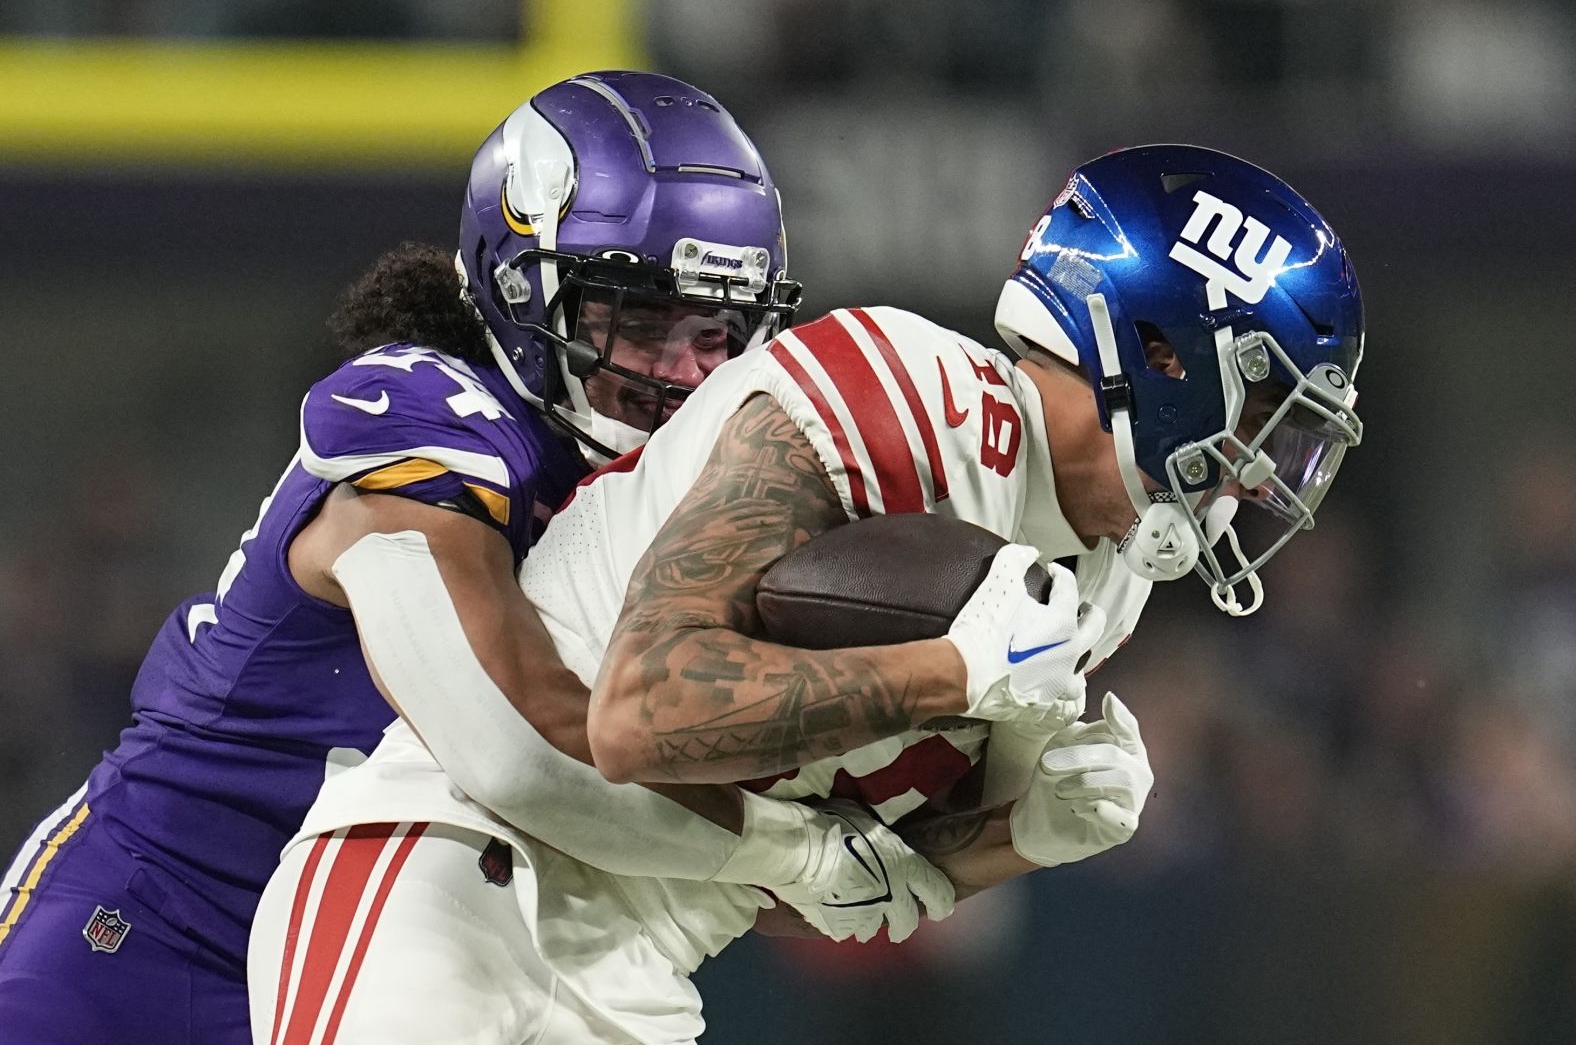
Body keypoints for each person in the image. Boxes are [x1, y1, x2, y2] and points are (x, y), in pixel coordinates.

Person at [248, 144, 1365, 1044]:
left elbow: (838, 885)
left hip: (644, 978)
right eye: (1267, 412)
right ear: (1162, 354)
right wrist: (949, 670)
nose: (1267, 468)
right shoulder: (903, 390)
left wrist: (1025, 836)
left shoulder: (1106, 576)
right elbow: (638, 714)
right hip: (448, 882)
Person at [0, 70, 859, 1045]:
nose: (682, 373)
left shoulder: (700, 504)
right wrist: (798, 847)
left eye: (715, 330)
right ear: (521, 289)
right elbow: (517, 744)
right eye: (639, 320)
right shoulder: (438, 423)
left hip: (405, 967)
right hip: (155, 934)